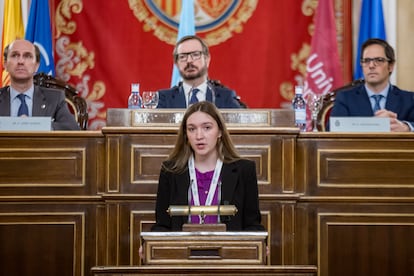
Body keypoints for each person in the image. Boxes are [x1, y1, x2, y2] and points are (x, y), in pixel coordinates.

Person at [151, 101, 264, 231]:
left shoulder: (244, 170)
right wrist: (147, 243)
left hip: (228, 249)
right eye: (192, 129)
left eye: (207, 128)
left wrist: (260, 244)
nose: (199, 136)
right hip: (183, 249)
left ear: (220, 131)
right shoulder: (170, 171)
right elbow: (162, 225)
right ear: (186, 135)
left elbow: (253, 225)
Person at [330, 38, 414, 132]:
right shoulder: (345, 98)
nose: (371, 65)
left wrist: (407, 127)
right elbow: (332, 129)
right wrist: (375, 124)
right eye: (366, 61)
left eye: (378, 60)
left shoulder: (409, 99)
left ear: (390, 66)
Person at [0, 39, 80, 130]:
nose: (21, 61)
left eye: (28, 56)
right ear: (5, 64)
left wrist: (35, 126)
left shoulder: (55, 98)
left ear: (36, 66)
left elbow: (72, 129)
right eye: (15, 55)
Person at [157, 35, 242, 109]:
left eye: (195, 55)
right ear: (176, 63)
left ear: (207, 59)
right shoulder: (164, 99)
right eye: (183, 57)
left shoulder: (225, 97)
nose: (189, 60)